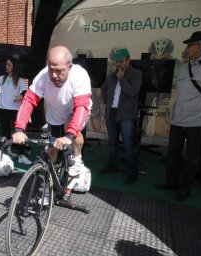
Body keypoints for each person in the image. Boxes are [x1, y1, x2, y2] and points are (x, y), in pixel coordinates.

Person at [12, 45, 92, 186]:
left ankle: (77, 158)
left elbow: (81, 108)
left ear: (69, 66)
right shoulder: (43, 77)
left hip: (75, 113)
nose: (54, 75)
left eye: (59, 71)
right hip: (55, 116)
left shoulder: (80, 76)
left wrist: (69, 136)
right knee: (52, 152)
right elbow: (28, 101)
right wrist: (19, 129)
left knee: (70, 127)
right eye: (51, 70)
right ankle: (50, 185)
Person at [155, 31, 201, 201]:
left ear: (200, 46)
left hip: (197, 120)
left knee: (193, 156)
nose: (186, 48)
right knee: (173, 152)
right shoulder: (186, 67)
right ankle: (172, 182)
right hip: (178, 118)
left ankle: (185, 188)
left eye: (190, 45)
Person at [99, 48, 142, 185]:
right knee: (112, 143)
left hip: (127, 115)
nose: (119, 64)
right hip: (112, 113)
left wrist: (122, 79)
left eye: (121, 61)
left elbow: (133, 92)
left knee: (128, 145)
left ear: (128, 60)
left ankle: (132, 172)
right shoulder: (112, 75)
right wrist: (107, 103)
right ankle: (112, 166)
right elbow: (104, 88)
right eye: (116, 61)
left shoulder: (136, 74)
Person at [0, 57, 32, 164]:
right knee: (5, 133)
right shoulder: (2, 78)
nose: (6, 66)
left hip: (15, 110)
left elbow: (25, 92)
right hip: (3, 109)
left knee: (18, 133)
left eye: (9, 65)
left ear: (14, 67)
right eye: (6, 64)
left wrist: (21, 96)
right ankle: (2, 157)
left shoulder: (19, 80)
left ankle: (21, 156)